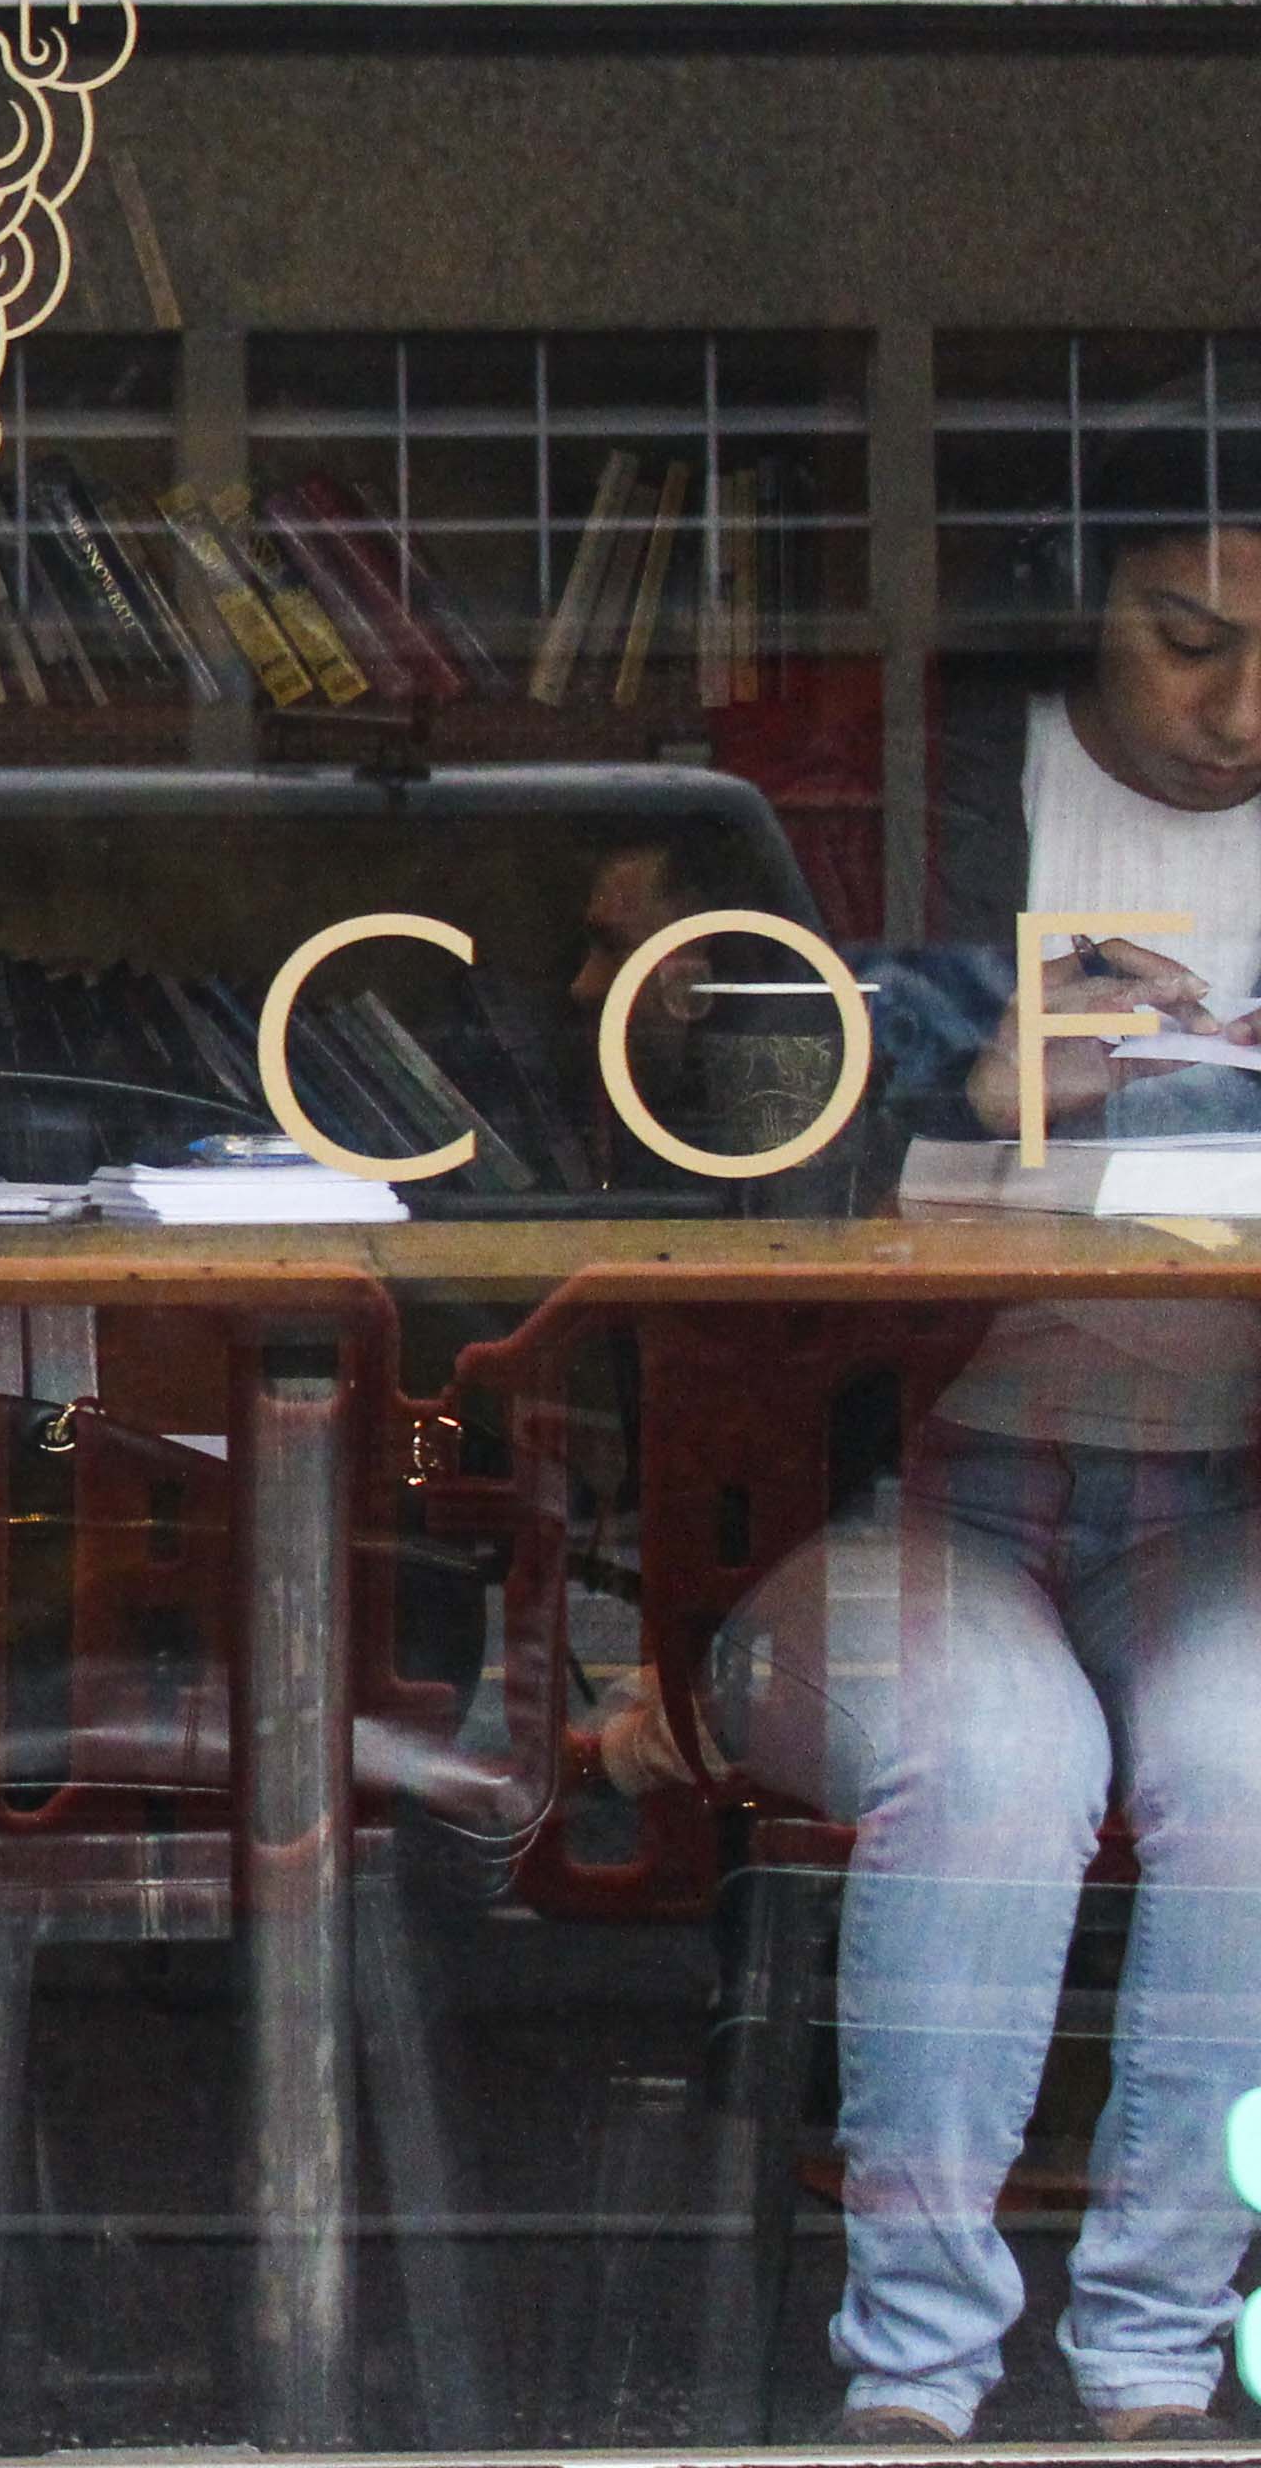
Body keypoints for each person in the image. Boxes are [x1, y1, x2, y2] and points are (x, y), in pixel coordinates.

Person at [600, 460, 1261, 2437]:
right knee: (995, 1764)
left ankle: (1156, 2358)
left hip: (1216, 1495)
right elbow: (683, 1160)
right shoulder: (900, 793)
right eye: (1194, 642)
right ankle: (920, 2385)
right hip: (905, 1485)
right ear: (1082, 610)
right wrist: (963, 1089)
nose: (1240, 712)